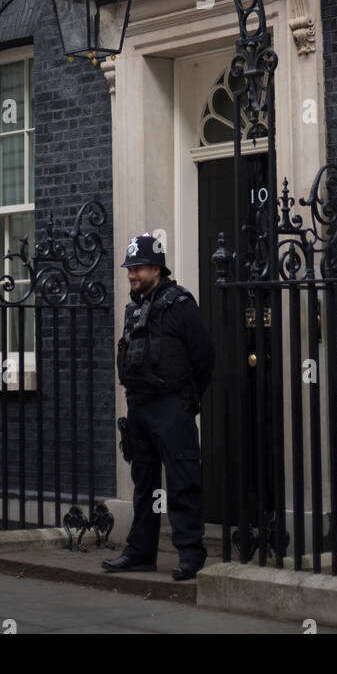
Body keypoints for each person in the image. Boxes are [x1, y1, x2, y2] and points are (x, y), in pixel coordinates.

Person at [102, 232, 215, 581]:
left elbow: (205, 357)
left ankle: (190, 555)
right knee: (144, 485)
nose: (131, 275)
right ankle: (140, 553)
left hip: (171, 406)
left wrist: (186, 400)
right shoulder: (133, 308)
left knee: (182, 483)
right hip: (139, 408)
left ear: (156, 267)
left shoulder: (181, 305)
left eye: (136, 268)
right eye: (129, 269)